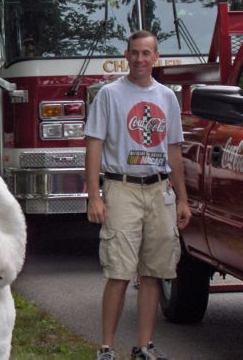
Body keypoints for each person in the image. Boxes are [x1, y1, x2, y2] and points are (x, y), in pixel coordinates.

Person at [84, 30, 192, 360]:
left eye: (147, 53)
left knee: (153, 271)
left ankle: (144, 347)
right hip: (122, 187)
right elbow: (94, 144)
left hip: (159, 190)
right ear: (126, 56)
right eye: (135, 53)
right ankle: (106, 348)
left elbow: (173, 149)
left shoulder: (167, 98)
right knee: (118, 270)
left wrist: (183, 198)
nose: (141, 60)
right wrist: (94, 195)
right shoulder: (110, 95)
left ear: (156, 57)